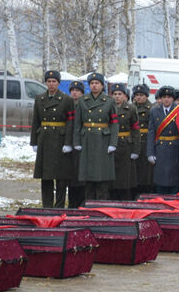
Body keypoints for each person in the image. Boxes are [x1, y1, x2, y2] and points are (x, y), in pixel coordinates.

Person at [31, 70, 75, 207]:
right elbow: (35, 121)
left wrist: (68, 142)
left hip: (60, 140)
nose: (51, 84)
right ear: (45, 83)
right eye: (49, 81)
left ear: (58, 83)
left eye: (54, 81)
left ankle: (59, 205)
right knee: (46, 176)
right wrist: (34, 141)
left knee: (61, 176)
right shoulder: (39, 99)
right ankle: (47, 205)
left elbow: (70, 122)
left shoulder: (66, 100)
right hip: (44, 139)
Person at [72, 73, 118, 202]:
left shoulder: (109, 101)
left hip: (103, 140)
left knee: (102, 177)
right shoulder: (83, 100)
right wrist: (77, 141)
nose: (94, 85)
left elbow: (114, 124)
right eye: (92, 83)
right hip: (87, 139)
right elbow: (77, 123)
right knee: (89, 177)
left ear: (102, 85)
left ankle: (101, 205)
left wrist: (113, 143)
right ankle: (89, 204)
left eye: (97, 83)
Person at [147, 85, 179, 195]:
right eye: (164, 97)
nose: (166, 99)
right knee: (160, 179)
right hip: (160, 149)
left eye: (169, 97)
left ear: (173, 98)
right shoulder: (154, 111)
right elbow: (151, 132)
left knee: (174, 179)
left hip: (175, 149)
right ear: (160, 98)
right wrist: (150, 153)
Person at [109, 83, 140, 200]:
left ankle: (125, 201)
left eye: (119, 94)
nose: (117, 96)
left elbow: (136, 130)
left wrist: (135, 150)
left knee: (125, 178)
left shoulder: (131, 109)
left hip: (126, 146)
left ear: (125, 96)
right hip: (112, 144)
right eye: (115, 94)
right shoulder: (108, 107)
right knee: (112, 177)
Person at [132, 84, 153, 196]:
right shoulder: (131, 108)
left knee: (145, 173)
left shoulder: (151, 109)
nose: (139, 97)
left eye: (141, 95)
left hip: (145, 142)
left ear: (146, 96)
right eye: (137, 95)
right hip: (133, 142)